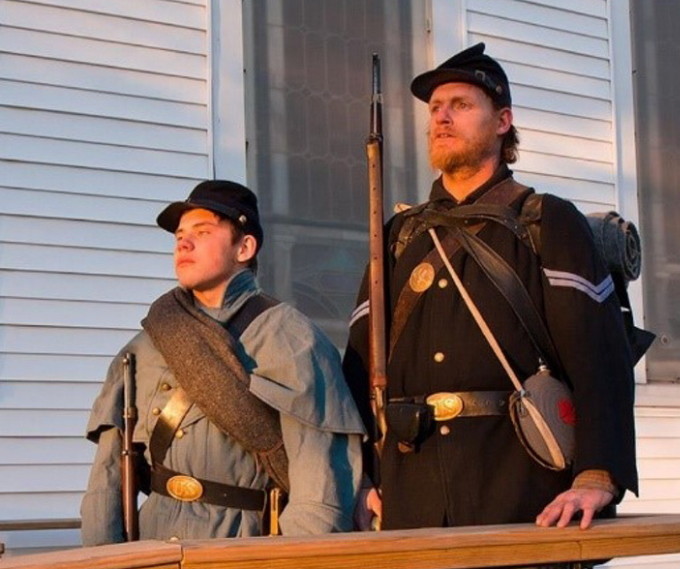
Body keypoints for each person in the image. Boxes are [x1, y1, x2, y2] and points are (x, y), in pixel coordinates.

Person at [344, 43, 638, 559]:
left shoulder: (546, 220)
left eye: (460, 104)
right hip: (412, 495)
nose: (441, 116)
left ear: (503, 121)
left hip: (521, 488)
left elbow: (599, 357)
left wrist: (597, 475)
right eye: (435, 108)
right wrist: (361, 475)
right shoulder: (396, 235)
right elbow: (358, 365)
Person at [81, 180, 365, 544]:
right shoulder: (145, 345)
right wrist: (102, 561)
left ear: (244, 247)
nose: (183, 242)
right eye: (179, 235)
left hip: (243, 547)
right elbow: (106, 482)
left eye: (203, 232)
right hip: (153, 547)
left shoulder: (291, 338)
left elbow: (320, 490)